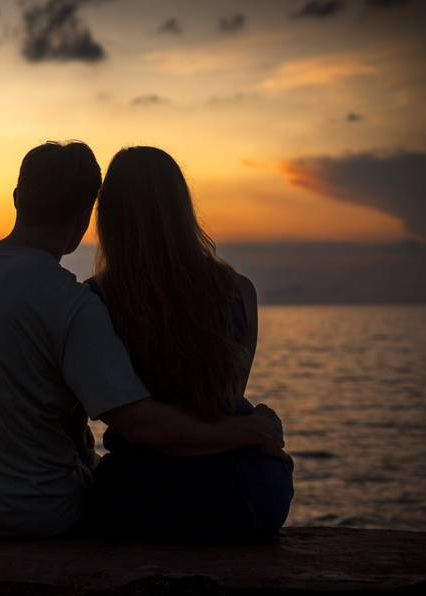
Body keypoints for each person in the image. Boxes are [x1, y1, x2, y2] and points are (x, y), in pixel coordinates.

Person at [0, 140, 288, 541]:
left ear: (16, 198)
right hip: (48, 512)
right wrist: (250, 430)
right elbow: (142, 421)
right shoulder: (74, 303)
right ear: (84, 217)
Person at [82, 146, 295, 545]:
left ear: (108, 216)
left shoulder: (94, 301)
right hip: (252, 495)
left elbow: (141, 426)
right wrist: (250, 432)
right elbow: (225, 405)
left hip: (146, 497)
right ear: (182, 208)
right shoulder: (239, 293)